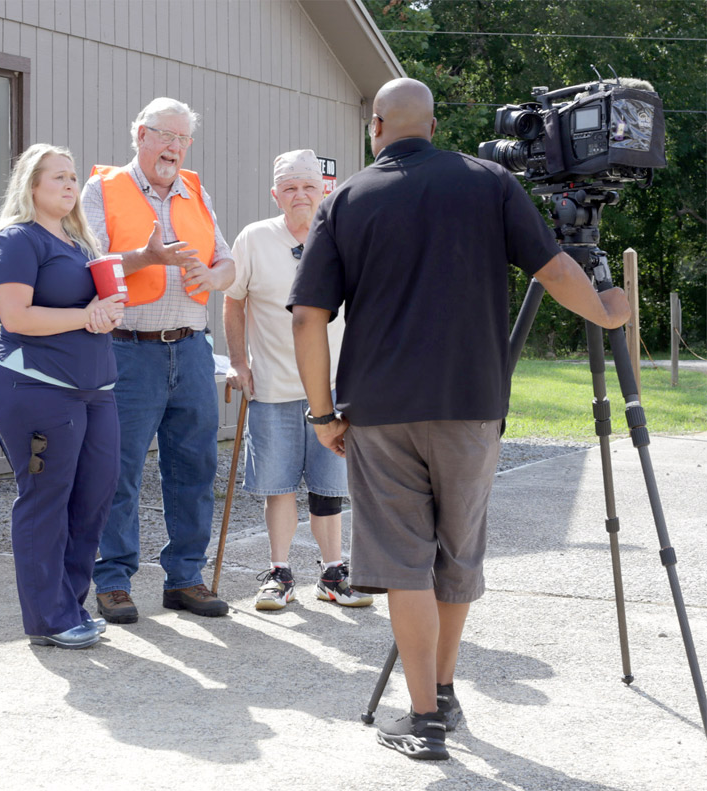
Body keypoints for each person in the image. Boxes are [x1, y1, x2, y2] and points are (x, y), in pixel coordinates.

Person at [288, 78, 631, 760]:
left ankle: (423, 719)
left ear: (377, 126)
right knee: (457, 553)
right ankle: (442, 687)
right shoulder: (490, 183)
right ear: (435, 125)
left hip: (380, 409)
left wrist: (321, 412)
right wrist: (610, 313)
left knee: (404, 562)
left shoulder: (348, 198)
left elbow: (307, 316)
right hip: (473, 403)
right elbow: (556, 269)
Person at [81, 97, 235, 622]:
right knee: (117, 471)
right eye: (165, 135)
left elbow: (226, 257)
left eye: (183, 138)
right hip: (128, 351)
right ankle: (114, 579)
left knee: (194, 468)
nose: (174, 147)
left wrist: (216, 278)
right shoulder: (103, 190)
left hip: (192, 350)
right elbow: (89, 261)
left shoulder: (195, 189)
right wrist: (146, 257)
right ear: (140, 135)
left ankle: (185, 578)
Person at [0, 143, 126, 649]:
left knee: (94, 496)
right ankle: (51, 617)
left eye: (72, 177)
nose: (69, 185)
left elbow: (94, 307)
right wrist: (88, 315)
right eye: (57, 177)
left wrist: (106, 312)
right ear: (31, 186)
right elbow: (16, 317)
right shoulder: (18, 240)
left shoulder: (80, 243)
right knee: (47, 498)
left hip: (95, 389)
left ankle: (70, 604)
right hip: (36, 387)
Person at [224, 149, 372, 612]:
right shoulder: (254, 238)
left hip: (333, 390)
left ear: (324, 189)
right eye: (289, 187)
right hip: (272, 387)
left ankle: (333, 572)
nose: (300, 194)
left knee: (329, 487)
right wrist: (238, 362)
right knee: (278, 485)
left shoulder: (345, 236)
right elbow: (233, 301)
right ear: (275, 194)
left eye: (308, 185)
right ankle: (280, 573)